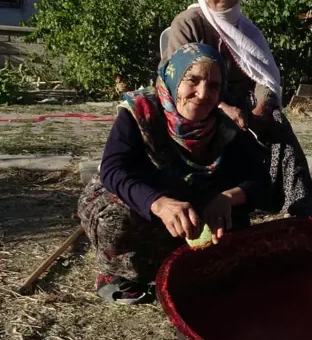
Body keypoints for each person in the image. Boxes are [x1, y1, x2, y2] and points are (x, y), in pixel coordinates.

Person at [78, 43, 270, 304]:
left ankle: (177, 263)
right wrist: (157, 203)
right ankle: (120, 276)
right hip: (144, 200)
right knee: (115, 218)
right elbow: (114, 170)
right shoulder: (140, 112)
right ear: (174, 78)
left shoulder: (225, 127)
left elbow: (260, 180)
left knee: (232, 244)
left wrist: (228, 197)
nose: (202, 94)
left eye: (213, 86)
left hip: (192, 204)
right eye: (193, 80)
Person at [165, 0, 312, 217]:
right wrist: (223, 107)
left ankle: (299, 208)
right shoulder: (189, 23)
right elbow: (176, 77)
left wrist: (262, 108)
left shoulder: (247, 29)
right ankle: (233, 198)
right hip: (203, 100)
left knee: (278, 125)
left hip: (245, 103)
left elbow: (264, 76)